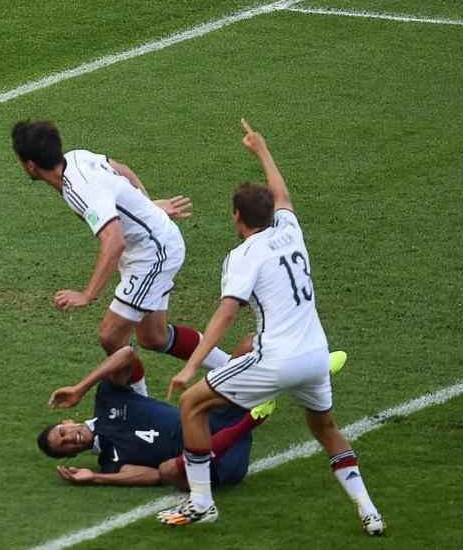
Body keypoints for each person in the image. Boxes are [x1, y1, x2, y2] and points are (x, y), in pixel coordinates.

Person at [159, 120, 385, 536]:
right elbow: (282, 195)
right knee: (326, 428)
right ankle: (368, 510)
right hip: (316, 356)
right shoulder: (290, 231)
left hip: (275, 359)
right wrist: (262, 150)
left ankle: (202, 502)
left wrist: (191, 366)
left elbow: (227, 312)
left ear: (237, 217)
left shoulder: (244, 255)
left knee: (192, 403)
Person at [11, 120, 232, 394]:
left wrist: (87, 294)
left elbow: (113, 242)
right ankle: (235, 368)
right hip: (151, 245)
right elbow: (122, 170)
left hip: (153, 253)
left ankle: (140, 404)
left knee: (110, 335)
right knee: (154, 337)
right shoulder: (77, 157)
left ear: (31, 165)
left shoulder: (79, 190)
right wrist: (147, 207)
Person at [37, 346, 274, 489]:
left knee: (248, 345)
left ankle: (293, 382)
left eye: (62, 433)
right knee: (167, 470)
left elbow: (127, 354)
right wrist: (96, 477)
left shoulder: (108, 399)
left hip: (217, 419)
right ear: (73, 454)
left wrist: (80, 388)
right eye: (66, 446)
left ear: (66, 422)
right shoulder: (110, 462)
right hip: (219, 461)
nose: (70, 438)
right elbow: (154, 476)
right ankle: (248, 423)